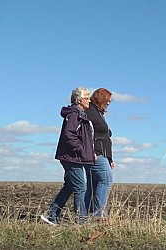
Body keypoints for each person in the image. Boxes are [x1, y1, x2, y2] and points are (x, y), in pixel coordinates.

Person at [41, 87, 96, 225]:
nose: (89, 100)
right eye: (86, 98)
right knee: (81, 187)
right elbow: (69, 135)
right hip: (71, 157)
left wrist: (89, 152)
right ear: (79, 100)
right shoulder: (74, 115)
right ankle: (81, 222)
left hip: (74, 156)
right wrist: (82, 151)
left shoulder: (80, 114)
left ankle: (51, 215)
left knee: (71, 186)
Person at [85, 88, 115, 220]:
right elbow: (87, 133)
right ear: (101, 99)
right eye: (107, 101)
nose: (108, 104)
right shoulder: (91, 111)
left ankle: (85, 215)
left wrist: (110, 158)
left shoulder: (97, 112)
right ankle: (99, 215)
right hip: (96, 154)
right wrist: (92, 151)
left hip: (102, 154)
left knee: (94, 184)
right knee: (106, 179)